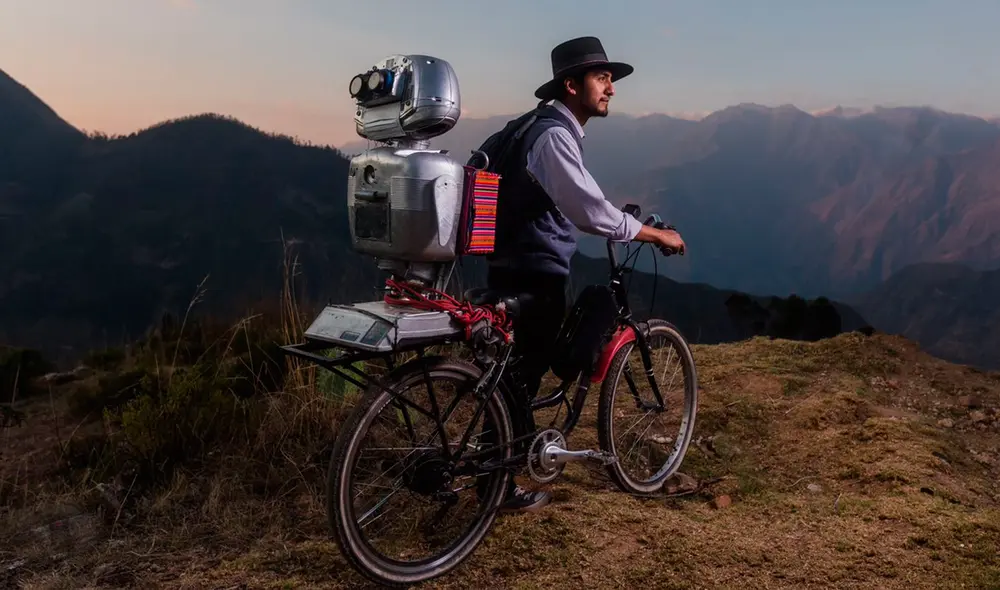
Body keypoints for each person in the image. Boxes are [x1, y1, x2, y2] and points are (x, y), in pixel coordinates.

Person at [482, 36, 687, 513]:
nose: (611, 88)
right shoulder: (553, 137)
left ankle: (497, 467)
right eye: (601, 78)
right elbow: (589, 210)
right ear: (571, 85)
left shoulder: (530, 126)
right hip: (534, 272)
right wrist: (654, 236)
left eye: (610, 78)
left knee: (516, 373)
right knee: (522, 376)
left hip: (508, 264)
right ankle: (498, 486)